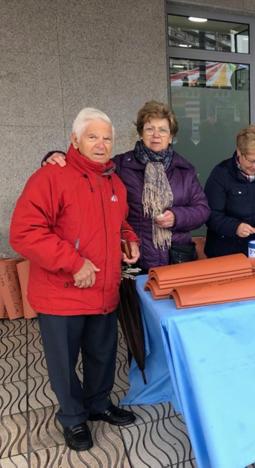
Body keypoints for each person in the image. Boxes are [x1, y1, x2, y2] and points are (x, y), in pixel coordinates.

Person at [10, 108, 141, 451]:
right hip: (62, 293)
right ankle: (72, 418)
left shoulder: (114, 181)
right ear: (75, 140)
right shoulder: (51, 177)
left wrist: (130, 241)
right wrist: (73, 262)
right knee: (64, 363)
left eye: (107, 137)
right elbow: (23, 233)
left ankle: (98, 405)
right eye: (92, 137)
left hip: (103, 289)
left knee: (102, 354)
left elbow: (120, 223)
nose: (101, 144)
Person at [42, 101, 210, 271]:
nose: (156, 135)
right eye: (149, 129)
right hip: (137, 257)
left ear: (171, 136)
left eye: (163, 130)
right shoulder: (121, 166)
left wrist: (177, 217)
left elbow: (202, 210)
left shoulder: (184, 170)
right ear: (140, 133)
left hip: (178, 257)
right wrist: (58, 156)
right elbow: (89, 167)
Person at [204, 125, 255, 257]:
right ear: (239, 152)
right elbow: (210, 214)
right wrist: (235, 227)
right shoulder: (221, 173)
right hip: (226, 251)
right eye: (252, 161)